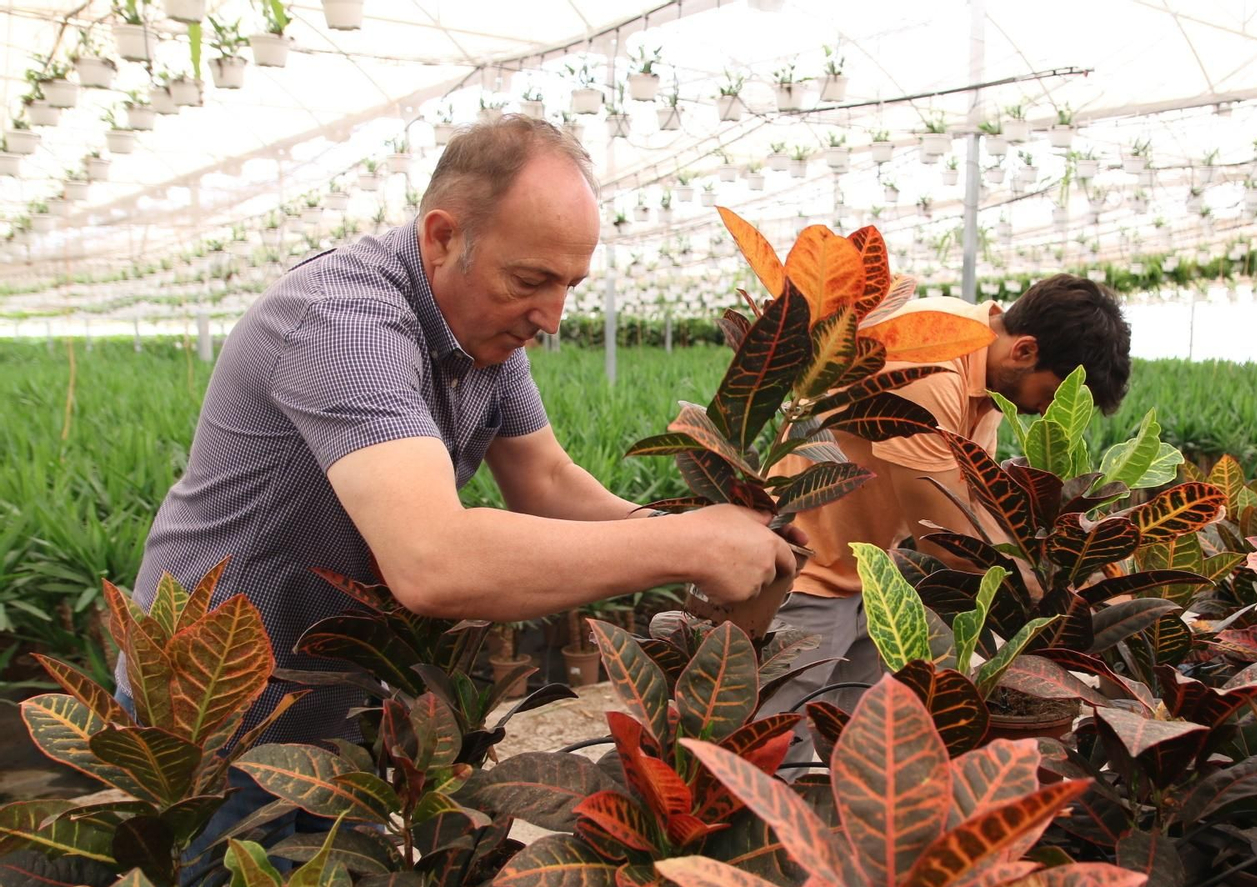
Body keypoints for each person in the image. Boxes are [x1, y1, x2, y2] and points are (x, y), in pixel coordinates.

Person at [117, 117, 795, 840]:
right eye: (531, 280)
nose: (552, 317)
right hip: (212, 712)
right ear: (442, 237)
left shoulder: (483, 331)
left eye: (569, 285)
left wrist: (692, 533)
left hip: (328, 704)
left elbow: (546, 480)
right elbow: (433, 560)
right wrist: (688, 546)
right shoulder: (344, 322)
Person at [764, 276, 1132, 734]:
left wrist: (1078, 568)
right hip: (809, 569)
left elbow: (974, 502)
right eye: (1052, 395)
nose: (1045, 411)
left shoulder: (989, 377)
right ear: (1025, 351)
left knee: (849, 739)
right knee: (780, 744)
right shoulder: (934, 365)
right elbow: (945, 541)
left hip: (872, 573)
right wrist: (1055, 599)